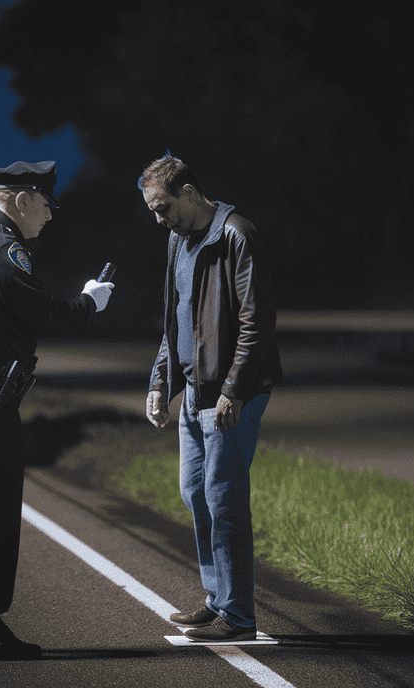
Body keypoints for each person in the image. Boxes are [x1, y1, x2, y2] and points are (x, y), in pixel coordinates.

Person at [0, 160, 114, 660]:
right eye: (46, 206)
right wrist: (90, 303)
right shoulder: (0, 249)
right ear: (20, 199)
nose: (50, 218)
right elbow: (44, 314)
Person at [139, 153, 282, 642]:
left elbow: (256, 322)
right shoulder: (179, 241)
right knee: (194, 492)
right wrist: (160, 382)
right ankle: (218, 598)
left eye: (163, 208)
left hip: (231, 394)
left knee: (224, 499)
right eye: (153, 211)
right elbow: (172, 322)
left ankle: (238, 615)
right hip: (195, 393)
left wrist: (232, 392)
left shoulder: (238, 234)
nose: (159, 220)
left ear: (190, 193)